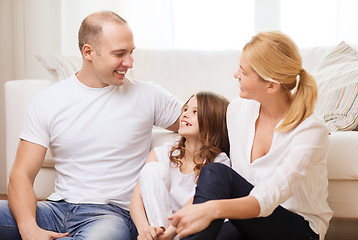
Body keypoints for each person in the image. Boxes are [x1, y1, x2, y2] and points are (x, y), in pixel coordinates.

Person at [0, 10, 182, 240]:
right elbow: (21, 175)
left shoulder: (149, 95)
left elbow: (203, 123)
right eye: (120, 54)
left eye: (131, 52)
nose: (129, 62)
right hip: (56, 210)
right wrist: (29, 230)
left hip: (111, 216)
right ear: (88, 52)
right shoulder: (50, 100)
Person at [170, 31, 333, 240]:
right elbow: (222, 183)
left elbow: (269, 196)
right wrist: (174, 228)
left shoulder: (310, 131)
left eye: (244, 72)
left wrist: (213, 209)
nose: (236, 74)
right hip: (250, 220)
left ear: (271, 85)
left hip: (298, 229)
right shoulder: (238, 110)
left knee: (216, 175)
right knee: (216, 177)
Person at [129, 91, 231, 240]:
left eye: (195, 111)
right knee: (152, 170)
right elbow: (136, 198)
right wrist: (144, 230)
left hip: (190, 231)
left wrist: (171, 232)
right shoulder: (161, 153)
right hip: (157, 229)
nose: (185, 114)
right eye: (185, 109)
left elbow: (198, 200)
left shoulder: (219, 162)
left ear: (212, 121)